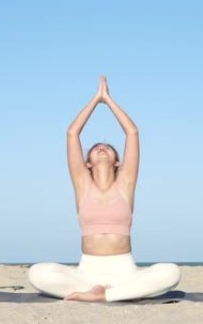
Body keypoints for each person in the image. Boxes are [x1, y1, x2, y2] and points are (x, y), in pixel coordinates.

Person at [27, 75, 181, 302]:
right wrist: (95, 99)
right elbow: (72, 133)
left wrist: (108, 100)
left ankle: (105, 295)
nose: (102, 147)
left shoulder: (125, 185)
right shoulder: (82, 185)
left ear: (118, 162)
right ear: (87, 162)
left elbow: (132, 132)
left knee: (171, 272)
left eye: (108, 148)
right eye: (96, 147)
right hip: (86, 273)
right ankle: (108, 294)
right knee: (37, 272)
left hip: (126, 271)